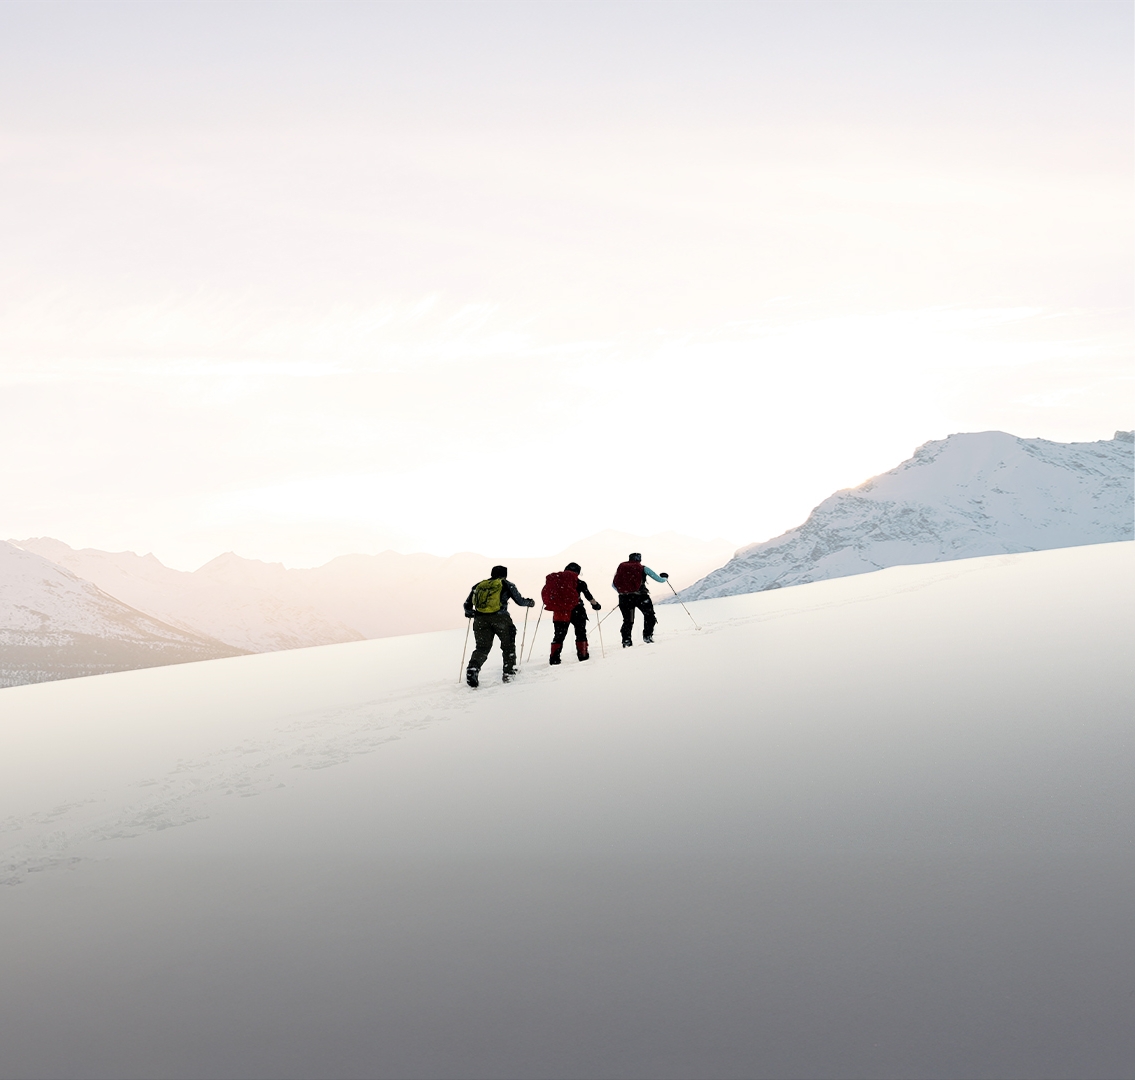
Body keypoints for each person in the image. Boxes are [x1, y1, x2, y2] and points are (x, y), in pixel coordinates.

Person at [463, 565, 536, 688]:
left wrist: (470, 613)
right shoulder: (507, 584)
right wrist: (530, 602)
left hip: (480, 619)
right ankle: (509, 673)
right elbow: (519, 601)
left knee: (482, 648)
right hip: (501, 618)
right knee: (508, 646)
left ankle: (473, 668)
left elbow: (467, 604)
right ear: (505, 574)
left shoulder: (479, 586)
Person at [541, 562, 602, 664]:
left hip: (560, 611)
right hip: (577, 609)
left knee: (559, 635)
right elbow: (588, 595)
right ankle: (583, 656)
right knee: (580, 632)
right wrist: (595, 604)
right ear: (577, 572)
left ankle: (554, 659)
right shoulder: (579, 582)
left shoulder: (557, 582)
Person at [612, 552, 668, 647]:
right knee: (649, 615)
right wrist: (665, 578)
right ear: (639, 559)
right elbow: (659, 579)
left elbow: (614, 585)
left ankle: (626, 640)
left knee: (628, 620)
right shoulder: (643, 568)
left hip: (624, 598)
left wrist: (625, 592)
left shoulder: (621, 568)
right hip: (641, 596)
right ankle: (647, 636)